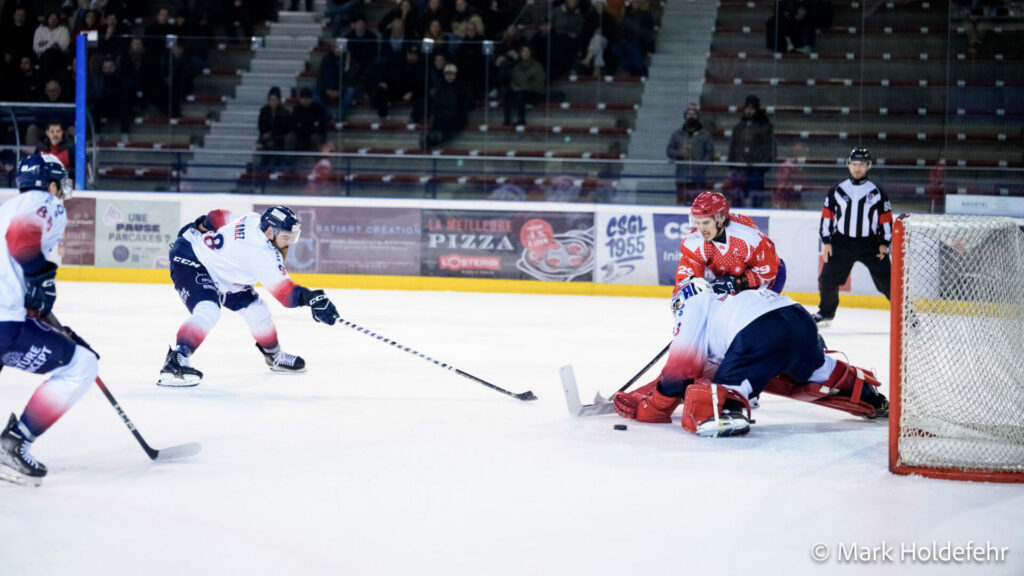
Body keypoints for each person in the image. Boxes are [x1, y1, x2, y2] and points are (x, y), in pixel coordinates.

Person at [612, 277, 888, 437]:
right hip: (798, 318)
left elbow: (681, 367)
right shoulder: (729, 301)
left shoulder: (694, 304)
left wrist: (653, 408)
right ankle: (869, 395)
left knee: (712, 399)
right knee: (820, 371)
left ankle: (730, 411)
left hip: (760, 332)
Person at [157, 206, 340, 387]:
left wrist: (199, 226)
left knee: (257, 309)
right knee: (208, 310)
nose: (290, 243)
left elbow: (216, 216)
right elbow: (286, 294)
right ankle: (177, 360)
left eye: (293, 237)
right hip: (191, 260)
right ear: (270, 232)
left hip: (222, 271)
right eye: (286, 237)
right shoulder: (261, 253)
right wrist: (312, 298)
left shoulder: (253, 219)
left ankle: (274, 355)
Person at [0, 153, 99, 486]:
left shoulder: (5, 209)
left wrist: (42, 311)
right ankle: (15, 443)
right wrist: (42, 278)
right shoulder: (46, 202)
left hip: (8, 315)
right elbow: (20, 242)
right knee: (81, 364)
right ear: (52, 184)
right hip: (4, 322)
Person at [812, 148, 892, 327]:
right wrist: (826, 242)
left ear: (868, 166)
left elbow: (886, 219)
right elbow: (827, 216)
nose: (857, 168)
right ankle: (826, 314)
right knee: (827, 279)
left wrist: (885, 244)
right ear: (848, 165)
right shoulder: (838, 190)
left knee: (889, 282)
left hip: (870, 244)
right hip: (842, 243)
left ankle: (906, 316)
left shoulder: (877, 192)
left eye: (861, 164)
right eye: (854, 164)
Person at [675, 191, 785, 298]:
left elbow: (770, 271)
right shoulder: (693, 243)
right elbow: (684, 282)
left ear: (721, 218)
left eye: (706, 222)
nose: (701, 229)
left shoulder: (749, 237)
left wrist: (737, 282)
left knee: (755, 313)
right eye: (697, 222)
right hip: (733, 283)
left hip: (769, 278)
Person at [726, 94, 774, 207]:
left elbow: (769, 148)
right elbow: (732, 147)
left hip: (756, 171)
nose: (749, 111)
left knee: (756, 200)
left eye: (752, 108)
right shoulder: (738, 128)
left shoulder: (765, 127)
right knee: (736, 200)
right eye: (747, 108)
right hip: (738, 171)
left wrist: (762, 166)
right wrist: (731, 164)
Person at [665, 103, 714, 205]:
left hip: (698, 177)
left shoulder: (705, 134)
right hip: (681, 176)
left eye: (693, 114)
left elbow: (710, 153)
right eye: (688, 114)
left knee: (698, 205)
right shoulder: (677, 134)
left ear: (697, 116)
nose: (691, 116)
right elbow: (669, 150)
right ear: (685, 116)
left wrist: (702, 166)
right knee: (681, 202)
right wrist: (679, 153)